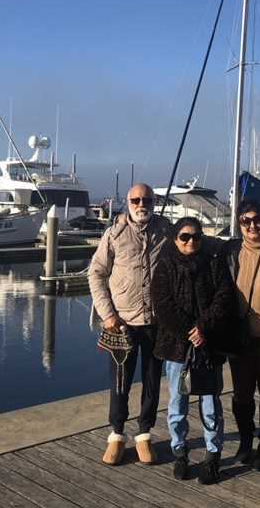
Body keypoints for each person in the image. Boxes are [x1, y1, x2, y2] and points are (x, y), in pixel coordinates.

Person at [88, 183, 170, 466]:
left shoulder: (167, 231)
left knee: (151, 382)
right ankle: (117, 434)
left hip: (156, 323)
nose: (141, 204)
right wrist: (108, 314)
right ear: (128, 201)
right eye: (136, 199)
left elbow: (192, 244)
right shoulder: (114, 234)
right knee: (120, 382)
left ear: (154, 201)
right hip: (121, 324)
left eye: (146, 199)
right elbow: (96, 274)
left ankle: (144, 434)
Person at [152, 217, 236, 485]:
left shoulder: (213, 262)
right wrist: (189, 331)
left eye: (196, 237)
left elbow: (224, 296)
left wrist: (203, 328)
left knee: (210, 405)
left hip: (209, 345)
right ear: (175, 239)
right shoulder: (165, 265)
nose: (190, 241)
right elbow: (162, 304)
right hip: (177, 347)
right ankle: (180, 451)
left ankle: (213, 455)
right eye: (184, 237)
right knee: (177, 404)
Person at [222, 199, 260, 471]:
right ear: (239, 224)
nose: (252, 225)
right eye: (245, 221)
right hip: (240, 337)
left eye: (257, 219)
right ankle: (246, 443)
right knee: (242, 394)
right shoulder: (229, 250)